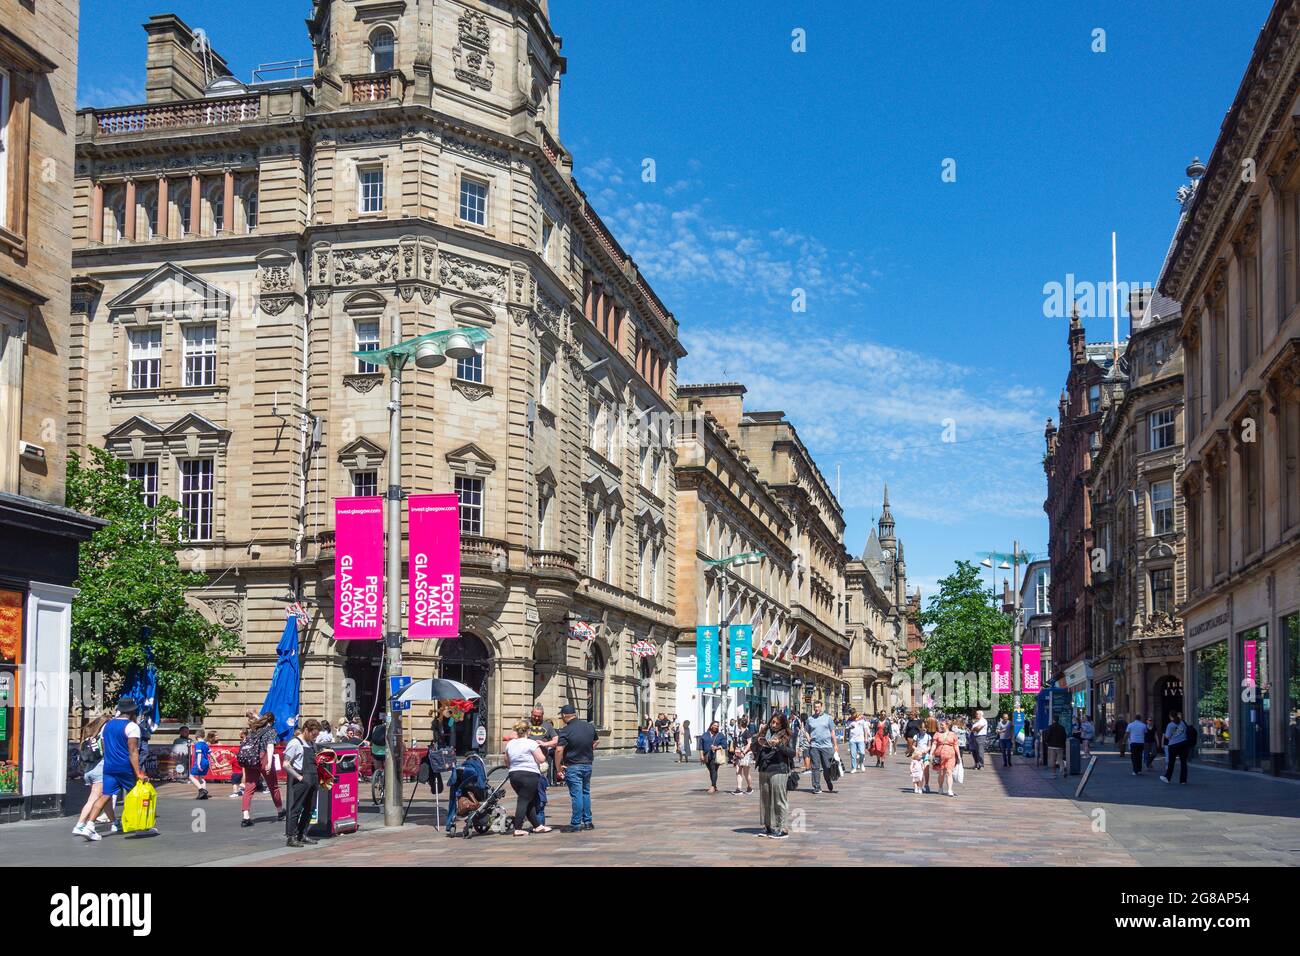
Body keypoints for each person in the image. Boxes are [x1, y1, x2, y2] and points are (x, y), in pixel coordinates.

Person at [82, 699, 148, 842]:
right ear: (132, 712)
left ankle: (89, 826)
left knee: (105, 796)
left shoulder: (108, 725)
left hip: (109, 766)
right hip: (125, 767)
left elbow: (104, 746)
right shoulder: (132, 727)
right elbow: (133, 750)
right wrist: (138, 772)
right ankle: (140, 827)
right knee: (136, 796)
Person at [504, 719, 553, 836]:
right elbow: (541, 759)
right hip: (529, 775)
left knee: (529, 800)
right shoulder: (531, 743)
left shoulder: (510, 744)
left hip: (514, 775)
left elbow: (506, 760)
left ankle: (538, 826)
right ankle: (518, 827)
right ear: (528, 731)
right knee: (523, 800)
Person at [555, 704, 598, 832]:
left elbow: (558, 750)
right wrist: (587, 750)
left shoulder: (565, 730)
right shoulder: (589, 727)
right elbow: (596, 741)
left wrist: (558, 768)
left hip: (573, 765)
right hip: (587, 764)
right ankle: (588, 822)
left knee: (576, 795)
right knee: (585, 793)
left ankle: (575, 823)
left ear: (563, 716)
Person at [754, 713, 796, 839]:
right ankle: (768, 826)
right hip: (764, 768)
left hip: (779, 769)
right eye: (772, 722)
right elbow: (754, 747)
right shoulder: (764, 733)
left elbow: (792, 753)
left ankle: (783, 828)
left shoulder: (787, 735)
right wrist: (758, 743)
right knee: (765, 800)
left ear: (782, 724)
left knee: (779, 800)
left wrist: (779, 745)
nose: (774, 725)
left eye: (777, 723)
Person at [240, 711, 285, 827]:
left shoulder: (254, 730)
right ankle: (280, 811)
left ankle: (246, 816)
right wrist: (269, 762)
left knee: (249, 788)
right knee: (273, 786)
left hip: (251, 759)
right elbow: (270, 746)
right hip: (264, 757)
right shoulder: (271, 731)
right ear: (272, 721)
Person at [72, 714, 114, 839]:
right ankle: (80, 825)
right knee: (93, 799)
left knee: (106, 798)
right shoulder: (104, 734)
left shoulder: (90, 735)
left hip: (89, 770)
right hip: (99, 770)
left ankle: (114, 823)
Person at [284, 719, 323, 848]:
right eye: (313, 734)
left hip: (313, 779)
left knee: (310, 808)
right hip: (302, 779)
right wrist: (299, 777)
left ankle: (302, 834)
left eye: (316, 735)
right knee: (296, 809)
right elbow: (286, 764)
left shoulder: (311, 744)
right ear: (306, 730)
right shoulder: (295, 743)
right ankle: (291, 837)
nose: (315, 737)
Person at [525, 704, 559, 825]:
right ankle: (528, 817)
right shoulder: (525, 724)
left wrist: (545, 744)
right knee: (526, 793)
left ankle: (539, 823)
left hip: (539, 765)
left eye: (539, 716)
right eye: (534, 715)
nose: (537, 718)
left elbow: (556, 740)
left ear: (543, 715)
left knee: (539, 793)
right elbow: (513, 736)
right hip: (525, 765)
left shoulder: (547, 726)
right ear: (531, 713)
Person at [805, 700, 840, 794]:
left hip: (827, 746)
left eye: (818, 707)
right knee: (815, 767)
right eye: (815, 707)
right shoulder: (810, 719)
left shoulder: (828, 718)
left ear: (821, 707)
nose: (816, 709)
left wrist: (835, 745)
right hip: (814, 746)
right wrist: (808, 738)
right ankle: (816, 786)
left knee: (827, 767)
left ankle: (828, 781)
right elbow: (806, 731)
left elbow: (832, 732)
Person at [931, 719, 960, 796]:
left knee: (949, 772)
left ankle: (950, 789)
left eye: (942, 725)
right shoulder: (937, 734)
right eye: (940, 725)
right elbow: (934, 744)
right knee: (941, 773)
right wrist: (931, 753)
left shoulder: (953, 734)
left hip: (951, 755)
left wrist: (959, 756)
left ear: (947, 725)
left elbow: (956, 745)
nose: (941, 726)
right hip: (939, 755)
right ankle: (940, 787)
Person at [1161, 711, 1190, 785]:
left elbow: (1167, 736)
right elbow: (1186, 731)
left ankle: (1168, 777)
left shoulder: (1170, 725)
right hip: (1183, 743)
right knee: (1183, 763)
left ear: (1170, 716)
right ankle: (1183, 780)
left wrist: (1173, 734)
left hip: (1173, 745)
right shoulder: (1182, 723)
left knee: (1171, 762)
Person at [699, 720, 728, 794]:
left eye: (717, 726)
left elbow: (725, 745)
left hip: (715, 756)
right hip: (706, 756)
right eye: (714, 725)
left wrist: (717, 747)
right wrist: (701, 755)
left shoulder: (720, 735)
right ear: (711, 726)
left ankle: (713, 786)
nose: (716, 727)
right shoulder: (705, 735)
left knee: (714, 770)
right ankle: (714, 786)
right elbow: (701, 746)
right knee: (711, 771)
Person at [731, 715, 755, 794]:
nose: (737, 725)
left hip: (746, 754)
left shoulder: (747, 733)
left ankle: (750, 787)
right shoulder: (740, 733)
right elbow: (738, 743)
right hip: (739, 754)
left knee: (746, 773)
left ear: (740, 724)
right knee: (738, 771)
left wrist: (744, 752)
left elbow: (749, 744)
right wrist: (736, 751)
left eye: (738, 724)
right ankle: (739, 788)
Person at [189, 730, 216, 799]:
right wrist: (216, 761)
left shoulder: (198, 744)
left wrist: (198, 764)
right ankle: (204, 794)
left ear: (196, 736)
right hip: (206, 762)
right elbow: (211, 753)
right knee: (201, 777)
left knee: (191, 776)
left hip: (200, 761)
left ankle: (201, 790)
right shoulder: (205, 744)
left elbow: (199, 754)